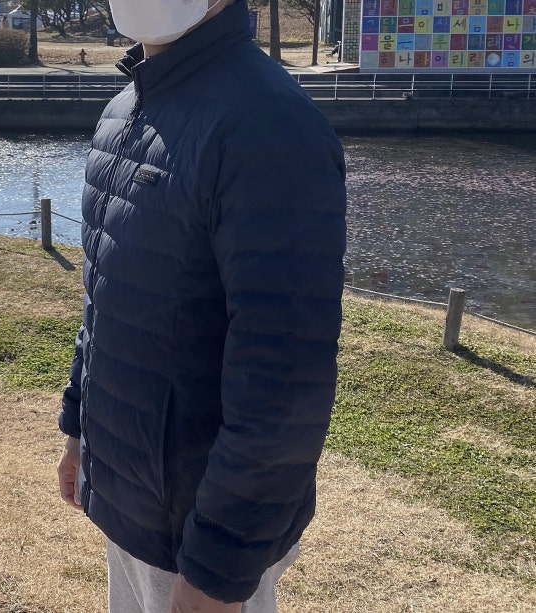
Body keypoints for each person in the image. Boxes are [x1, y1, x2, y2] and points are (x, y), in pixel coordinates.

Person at [57, 0, 347, 611]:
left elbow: (284, 381)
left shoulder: (269, 124)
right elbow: (104, 299)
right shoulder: (127, 106)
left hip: (200, 532)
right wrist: (79, 432)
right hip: (130, 499)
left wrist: (217, 569)